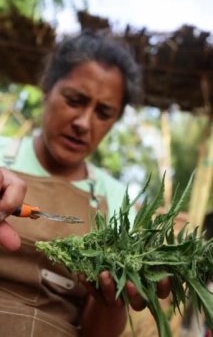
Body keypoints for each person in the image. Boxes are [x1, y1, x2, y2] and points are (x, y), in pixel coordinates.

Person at [0, 31, 170, 337]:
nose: (83, 123)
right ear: (47, 88)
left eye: (104, 113)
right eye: (74, 100)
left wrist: (111, 299)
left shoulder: (117, 200)